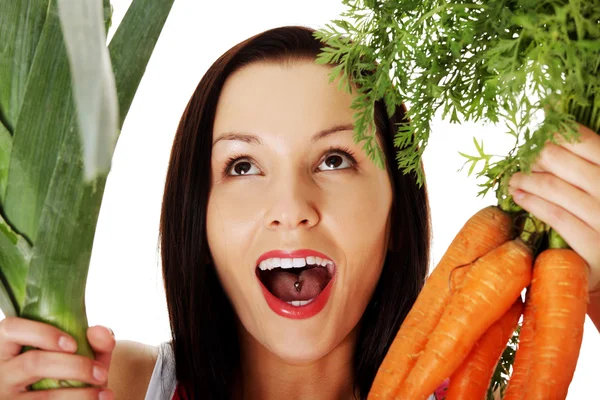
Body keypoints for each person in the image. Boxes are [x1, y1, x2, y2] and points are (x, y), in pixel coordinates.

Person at [1, 25, 599, 400]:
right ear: (198, 219)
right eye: (241, 166)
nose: (291, 208)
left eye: (336, 159)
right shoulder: (114, 392)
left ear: (396, 216)